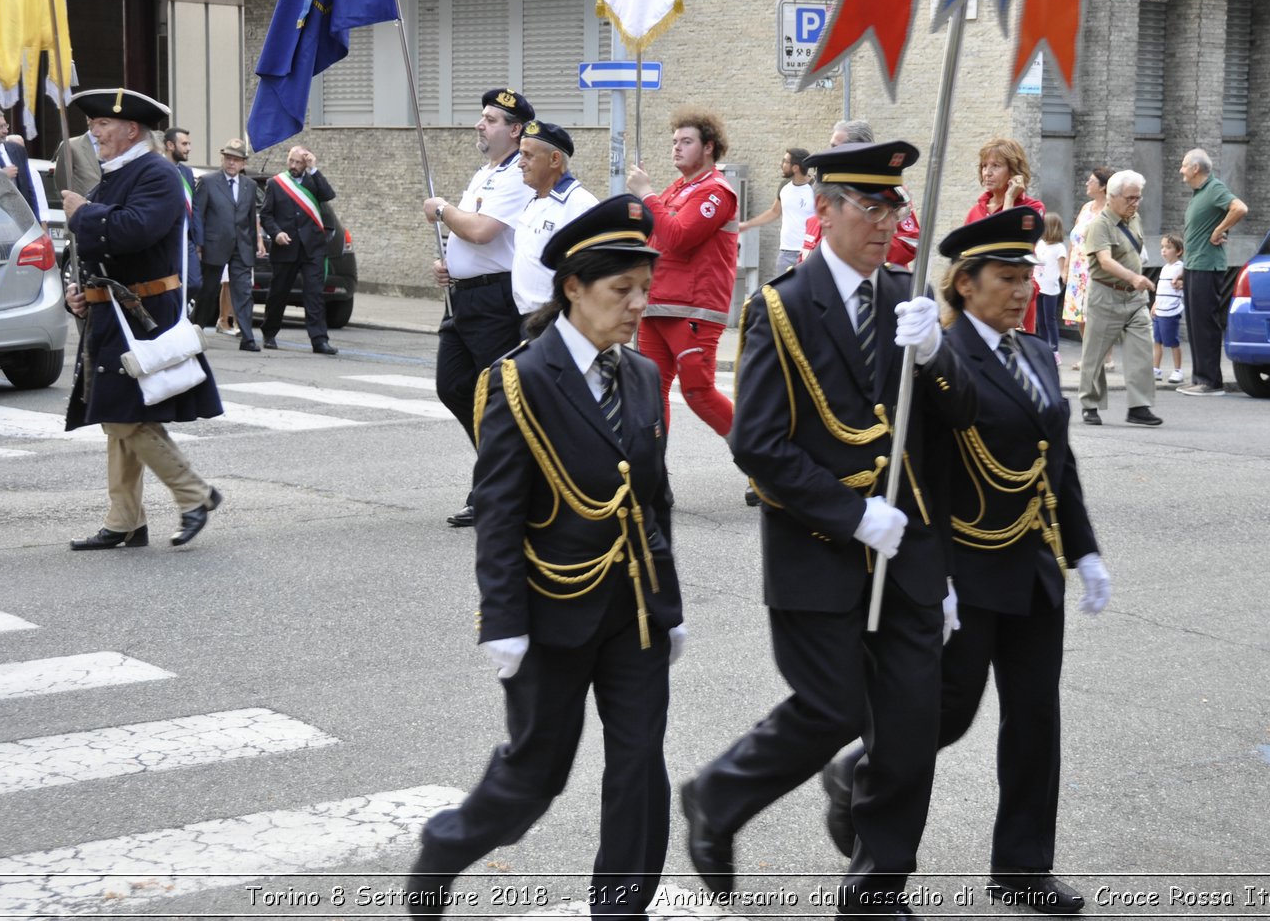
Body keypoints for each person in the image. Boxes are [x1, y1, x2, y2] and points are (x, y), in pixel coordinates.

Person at [680, 140, 977, 917]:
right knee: (834, 707)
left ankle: (875, 890)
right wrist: (852, 514)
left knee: (911, 729)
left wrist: (940, 355)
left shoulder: (905, 303)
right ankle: (715, 796)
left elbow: (953, 425)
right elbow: (758, 443)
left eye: (896, 208)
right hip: (818, 550)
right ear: (829, 208)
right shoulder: (778, 306)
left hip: (906, 554)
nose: (887, 224)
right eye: (871, 207)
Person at [821, 207, 1111, 916]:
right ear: (964, 284)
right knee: (936, 720)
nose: (1021, 291)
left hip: (1033, 567)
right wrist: (934, 572)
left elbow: (1056, 464)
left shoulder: (1039, 352)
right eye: (1006, 278)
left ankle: (1022, 865)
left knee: (1035, 720)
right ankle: (856, 782)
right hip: (963, 570)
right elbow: (915, 471)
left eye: (1028, 277)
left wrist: (1085, 548)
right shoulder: (936, 354)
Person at [404, 195, 684, 919]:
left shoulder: (644, 376)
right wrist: (503, 618)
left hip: (634, 613)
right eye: (620, 291)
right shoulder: (518, 379)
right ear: (572, 288)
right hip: (551, 608)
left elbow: (654, 500)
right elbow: (497, 509)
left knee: (639, 768)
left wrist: (669, 601)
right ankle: (446, 846)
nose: (637, 305)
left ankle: (621, 908)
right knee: (536, 775)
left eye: (643, 290)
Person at [58, 88, 224, 550]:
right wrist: (80, 291)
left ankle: (195, 495)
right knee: (118, 415)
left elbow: (135, 230)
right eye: (93, 127)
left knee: (127, 416)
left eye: (101, 127)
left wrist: (85, 213)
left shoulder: (157, 172)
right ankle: (125, 520)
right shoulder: (118, 173)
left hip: (144, 312)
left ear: (131, 129)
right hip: (113, 311)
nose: (94, 135)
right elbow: (94, 246)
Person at [423, 88, 535, 528]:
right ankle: (504, 473)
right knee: (453, 386)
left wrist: (443, 209)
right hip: (463, 296)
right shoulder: (483, 173)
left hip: (494, 299)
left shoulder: (513, 177)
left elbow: (485, 231)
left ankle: (497, 487)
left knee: (495, 398)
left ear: (514, 129)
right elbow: (467, 236)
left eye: (490, 119)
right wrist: (448, 263)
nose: (479, 124)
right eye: (482, 117)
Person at [627, 108, 738, 438]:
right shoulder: (677, 188)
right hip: (658, 303)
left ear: (709, 147)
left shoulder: (716, 191)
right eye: (674, 141)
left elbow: (678, 238)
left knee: (699, 394)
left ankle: (765, 463)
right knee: (649, 395)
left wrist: (646, 194)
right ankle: (652, 475)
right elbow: (655, 234)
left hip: (693, 308)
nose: (676, 147)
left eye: (686, 141)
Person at [1077, 170, 1161, 427]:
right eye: (1130, 198)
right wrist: (1134, 278)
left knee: (1142, 349)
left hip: (1134, 299)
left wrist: (1137, 281)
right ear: (1112, 197)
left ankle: (1139, 406)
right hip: (1106, 295)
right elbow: (1105, 261)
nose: (1135, 203)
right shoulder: (1098, 225)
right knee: (1095, 354)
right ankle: (1090, 404)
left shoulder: (1134, 218)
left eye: (1138, 198)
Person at [511, 118, 598, 331]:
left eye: (528, 156)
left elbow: (592, 269)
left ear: (554, 159)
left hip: (558, 320)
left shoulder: (580, 205)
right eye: (521, 154)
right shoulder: (534, 201)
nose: (520, 163)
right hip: (527, 318)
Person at [1174, 147, 1248, 397]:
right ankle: (1199, 377)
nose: (1181, 170)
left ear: (1196, 168)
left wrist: (1219, 230)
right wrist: (1184, 270)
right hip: (1195, 265)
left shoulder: (1214, 188)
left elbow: (1239, 208)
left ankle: (1211, 381)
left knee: (1205, 324)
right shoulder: (1199, 194)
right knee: (1195, 324)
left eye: (1184, 165)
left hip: (1207, 267)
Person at [801, 120, 922, 269]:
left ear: (858, 149)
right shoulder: (825, 189)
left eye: (836, 147)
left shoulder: (892, 193)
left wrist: (861, 250)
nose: (830, 151)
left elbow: (910, 242)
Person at [259, 144, 337, 354]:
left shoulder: (313, 181)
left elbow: (328, 195)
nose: (293, 166)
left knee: (314, 295)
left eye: (298, 162)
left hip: (312, 248)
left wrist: (314, 168)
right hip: (286, 247)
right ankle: (269, 332)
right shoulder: (276, 183)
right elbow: (266, 215)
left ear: (305, 163)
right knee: (278, 293)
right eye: (291, 161)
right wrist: (276, 233)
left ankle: (319, 340)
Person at [192, 139, 264, 352]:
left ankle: (248, 337)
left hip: (241, 247)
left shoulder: (249, 186)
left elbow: (251, 218)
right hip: (214, 245)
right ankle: (196, 331)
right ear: (223, 159)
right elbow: (198, 214)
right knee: (208, 291)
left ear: (243, 163)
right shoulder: (208, 181)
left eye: (236, 160)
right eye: (228, 158)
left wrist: (255, 243)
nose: (231, 163)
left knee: (243, 292)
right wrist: (199, 243)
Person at [966, 138, 1042, 333]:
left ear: (1013, 172)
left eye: (996, 166)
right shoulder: (976, 210)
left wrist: (1009, 199)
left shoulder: (1032, 209)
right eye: (984, 166)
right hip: (981, 298)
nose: (987, 172)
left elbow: (1008, 248)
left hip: (1014, 295)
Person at [1062, 167, 1111, 369]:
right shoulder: (1086, 208)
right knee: (1080, 315)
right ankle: (1090, 355)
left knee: (1096, 315)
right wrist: (1065, 267)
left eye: (1091, 181)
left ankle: (1102, 357)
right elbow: (1074, 239)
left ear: (1103, 187)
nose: (1087, 184)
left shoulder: (1109, 210)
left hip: (1095, 268)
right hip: (1077, 268)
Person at [739, 147, 814, 274]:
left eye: (785, 161)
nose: (781, 164)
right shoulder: (784, 186)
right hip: (785, 254)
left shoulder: (816, 188)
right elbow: (774, 212)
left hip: (809, 253)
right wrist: (748, 224)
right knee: (782, 293)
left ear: (795, 168)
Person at [163, 127, 203, 304]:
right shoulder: (159, 169)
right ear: (170, 145)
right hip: (165, 239)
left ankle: (179, 308)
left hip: (186, 240)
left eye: (189, 144)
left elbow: (194, 207)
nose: (189, 148)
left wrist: (198, 241)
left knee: (194, 283)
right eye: (184, 144)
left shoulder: (187, 172)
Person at [0, 107, 42, 216]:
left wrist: (36, 221)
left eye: (5, 125)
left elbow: (29, 188)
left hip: (21, 219)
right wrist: (0, 177)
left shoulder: (17, 150)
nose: (5, 131)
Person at [1033, 210, 1067, 361]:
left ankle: (1054, 350)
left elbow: (1062, 270)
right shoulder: (1040, 244)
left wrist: (1066, 278)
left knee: (1050, 320)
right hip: (1038, 286)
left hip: (1051, 289)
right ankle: (1043, 348)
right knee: (1040, 320)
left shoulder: (1059, 248)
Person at [1152, 234, 1185, 384]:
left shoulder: (1181, 268)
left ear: (1178, 251)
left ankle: (1178, 370)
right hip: (1159, 310)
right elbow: (1160, 289)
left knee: (1172, 342)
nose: (1164, 250)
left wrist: (1182, 282)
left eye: (1168, 247)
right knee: (1157, 341)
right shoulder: (1165, 268)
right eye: (1162, 247)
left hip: (1171, 311)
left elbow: (1184, 285)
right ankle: (1156, 369)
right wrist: (1155, 304)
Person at [54, 129, 103, 198]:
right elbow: (62, 182)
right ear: (89, 120)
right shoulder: (70, 145)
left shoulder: (117, 145)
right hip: (83, 205)